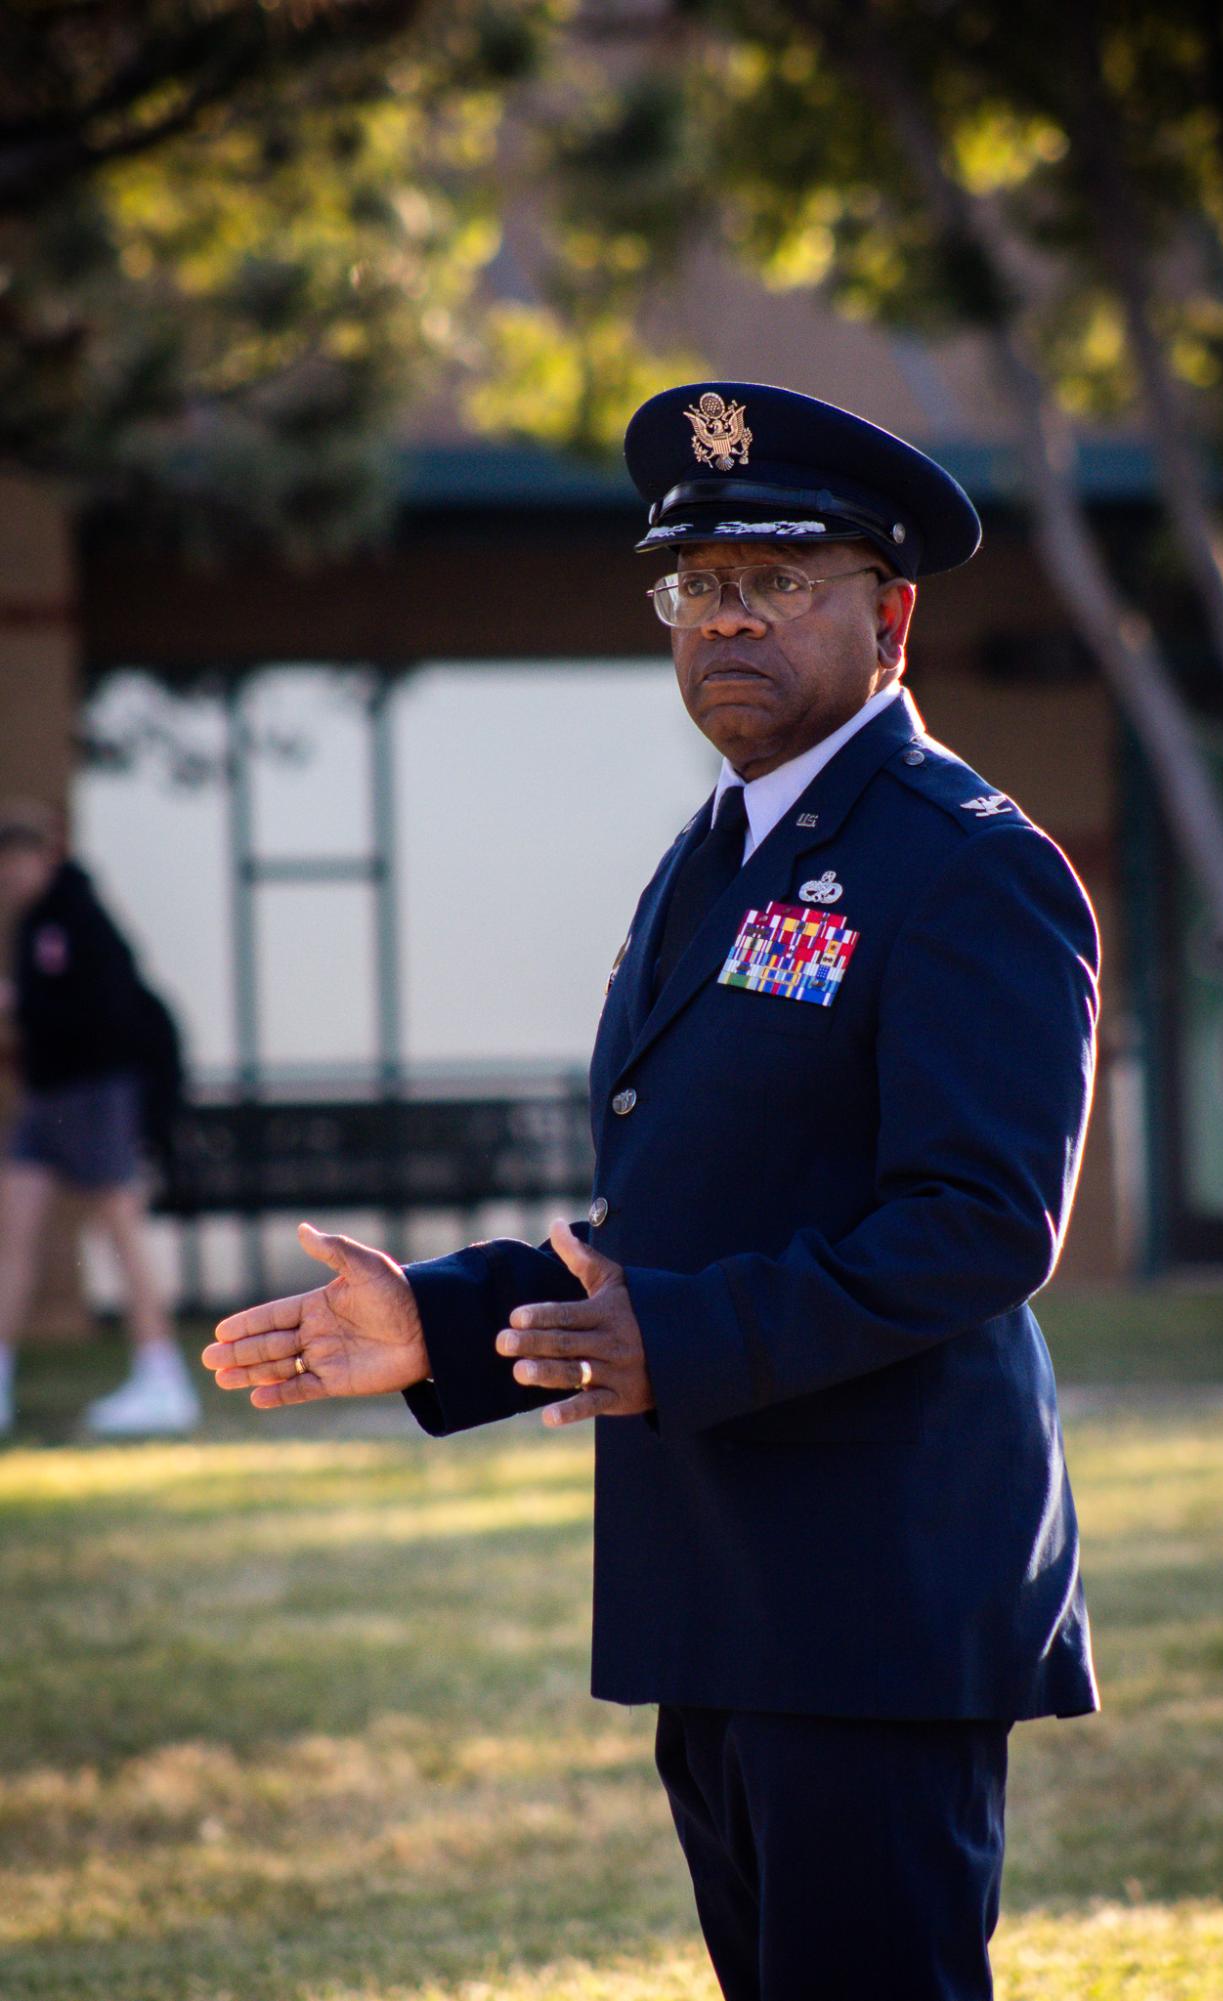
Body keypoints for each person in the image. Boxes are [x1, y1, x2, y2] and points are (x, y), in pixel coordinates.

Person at [203, 381, 1101, 2000]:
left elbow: (977, 1223)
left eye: (777, 581)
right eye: (698, 587)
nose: (725, 620)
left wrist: (676, 1341)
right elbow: (693, 1210)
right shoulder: (713, 857)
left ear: (888, 618)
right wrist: (443, 1327)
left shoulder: (964, 860)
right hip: (725, 1573)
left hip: (876, 1581)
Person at [0, 805, 199, 1436]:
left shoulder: (78, 917)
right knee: (13, 1233)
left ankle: (162, 1375)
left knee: (120, 1233)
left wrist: (24, 1008)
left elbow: (107, 1017)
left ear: (41, 857)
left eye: (13, 863)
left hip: (95, 1098)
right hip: (48, 1101)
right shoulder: (33, 925)